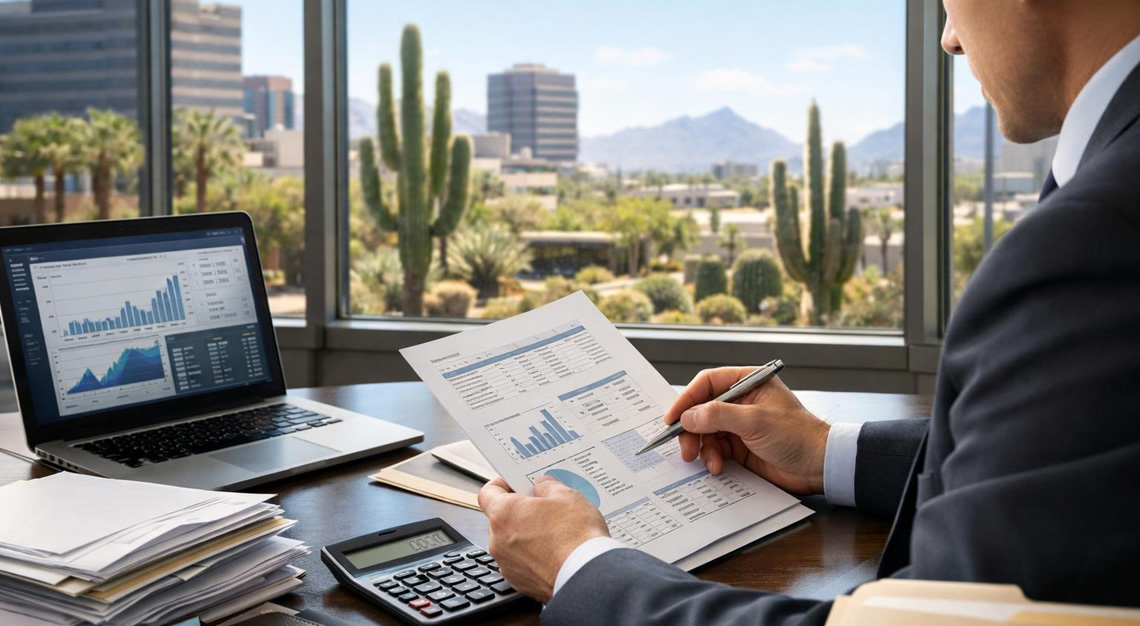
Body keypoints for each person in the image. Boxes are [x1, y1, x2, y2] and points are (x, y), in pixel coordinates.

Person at [478, 1, 1140, 623]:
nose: (950, 37)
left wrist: (581, 568)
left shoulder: (1095, 239)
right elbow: (1083, 453)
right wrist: (828, 452)